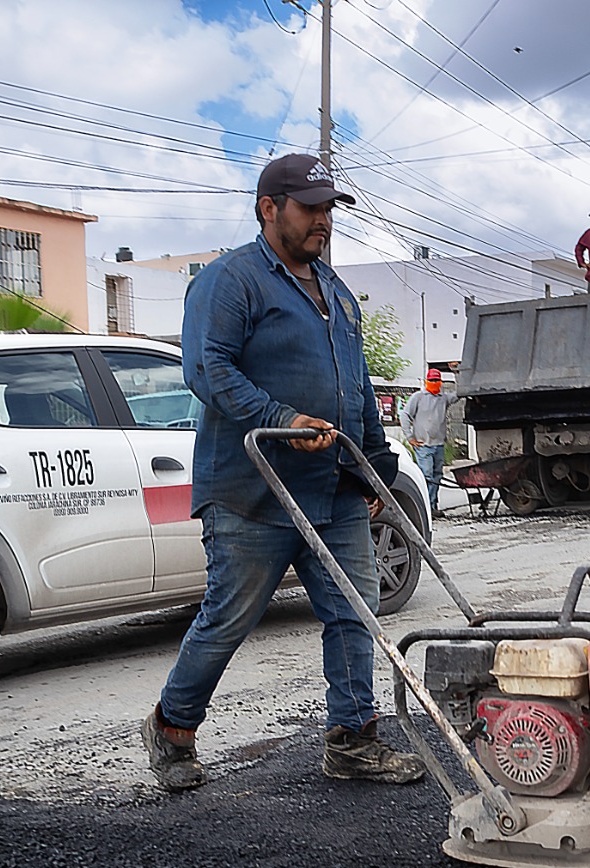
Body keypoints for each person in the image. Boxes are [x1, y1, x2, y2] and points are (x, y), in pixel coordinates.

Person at [142, 153, 426, 791]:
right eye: (310, 208)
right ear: (269, 209)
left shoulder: (339, 294)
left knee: (356, 612)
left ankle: (353, 740)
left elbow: (356, 390)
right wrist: (278, 417)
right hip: (253, 492)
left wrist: (373, 471)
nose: (323, 220)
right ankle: (172, 727)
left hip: (334, 491)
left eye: (328, 209)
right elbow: (206, 369)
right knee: (228, 618)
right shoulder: (230, 281)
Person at [401, 366, 459, 518]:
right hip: (423, 445)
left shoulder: (443, 398)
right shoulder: (418, 397)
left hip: (438, 444)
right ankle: (424, 508)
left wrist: (457, 373)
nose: (434, 382)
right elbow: (405, 415)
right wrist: (410, 437)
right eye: (432, 380)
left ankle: (432, 506)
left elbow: (460, 393)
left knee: (437, 476)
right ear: (427, 381)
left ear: (440, 382)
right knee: (427, 476)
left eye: (436, 380)